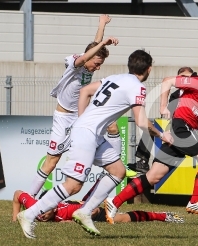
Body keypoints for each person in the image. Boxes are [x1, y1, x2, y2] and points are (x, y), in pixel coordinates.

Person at [17, 50, 173, 239]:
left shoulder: (115, 78)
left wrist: (83, 119)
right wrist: (161, 134)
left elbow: (85, 91)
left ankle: (85, 211)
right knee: (73, 186)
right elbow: (141, 121)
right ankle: (29, 214)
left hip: (92, 133)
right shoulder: (138, 87)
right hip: (87, 134)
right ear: (149, 69)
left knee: (118, 171)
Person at [99, 55, 198, 232]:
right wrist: (163, 107)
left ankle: (113, 202)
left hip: (183, 131)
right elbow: (167, 81)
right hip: (182, 127)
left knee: (153, 176)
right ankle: (195, 201)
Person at [27, 14, 131, 198]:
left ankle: (116, 167)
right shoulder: (75, 63)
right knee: (51, 162)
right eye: (97, 64)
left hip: (82, 117)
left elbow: (94, 45)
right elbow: (86, 56)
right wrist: (103, 43)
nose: (98, 68)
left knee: (111, 126)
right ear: (90, 59)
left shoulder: (90, 61)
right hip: (64, 119)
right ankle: (28, 197)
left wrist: (101, 26)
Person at [127, 66, 197, 174]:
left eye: (188, 77)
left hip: (191, 126)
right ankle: (143, 161)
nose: (185, 80)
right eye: (182, 77)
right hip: (176, 124)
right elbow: (170, 112)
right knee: (150, 127)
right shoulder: (175, 95)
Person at [12, 190, 183, 224]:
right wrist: (14, 218)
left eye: (46, 211)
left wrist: (73, 222)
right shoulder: (34, 206)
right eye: (41, 211)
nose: (41, 215)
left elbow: (92, 211)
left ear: (55, 208)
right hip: (77, 207)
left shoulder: (65, 211)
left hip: (88, 210)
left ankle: (161, 215)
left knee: (121, 219)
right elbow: (17, 194)